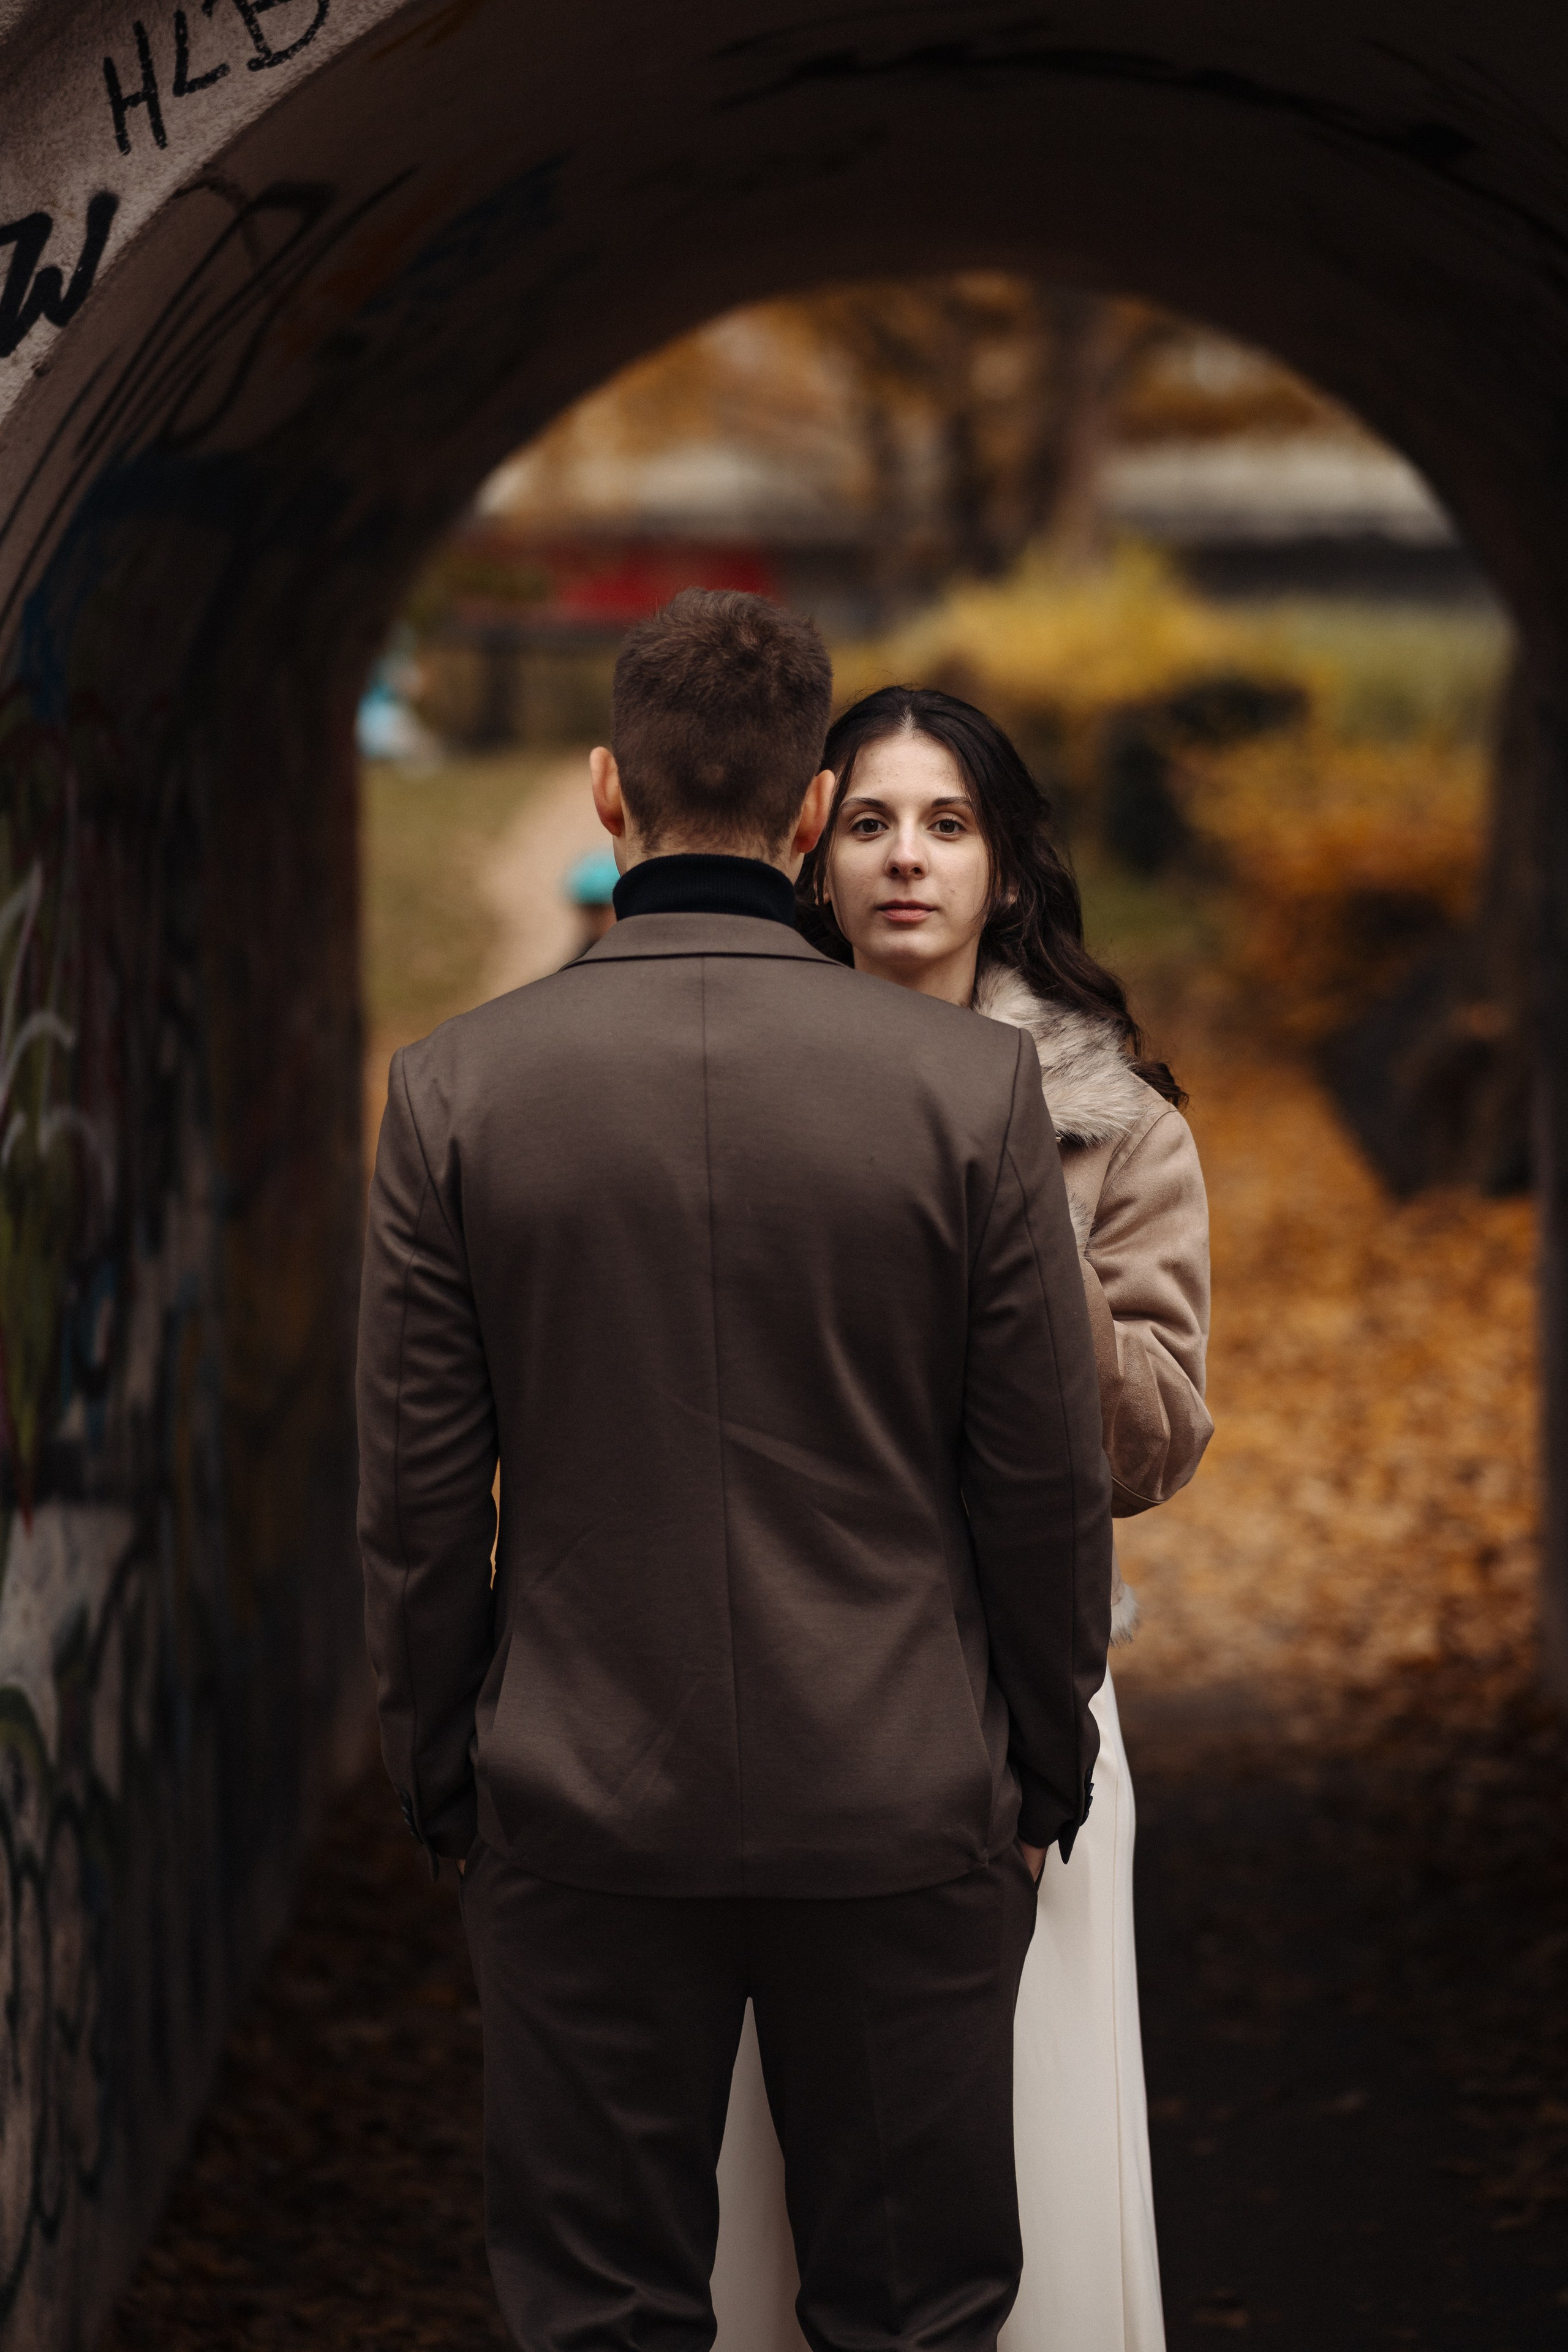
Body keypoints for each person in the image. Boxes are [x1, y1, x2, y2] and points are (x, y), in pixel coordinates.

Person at [357, 597, 1115, 2352]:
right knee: (912, 2312)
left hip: (580, 1809)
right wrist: (1041, 1761)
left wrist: (447, 1773)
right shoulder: (970, 1092)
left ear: (607, 792)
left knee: (602, 2309)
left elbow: (414, 1503)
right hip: (903, 1798)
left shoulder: (455, 1095)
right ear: (810, 814)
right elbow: (1041, 1484)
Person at [710, 687, 1212, 2352]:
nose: (907, 859)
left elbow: (1152, 1440)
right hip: (778, 1694)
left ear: (1005, 867)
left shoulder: (1115, 1120)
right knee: (780, 2190)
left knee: (1023, 2150)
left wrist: (1007, 1182)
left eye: (948, 824)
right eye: (869, 823)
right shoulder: (729, 1086)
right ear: (813, 853)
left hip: (1017, 1701)